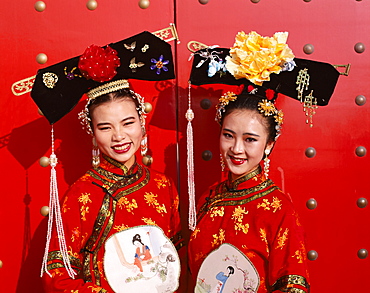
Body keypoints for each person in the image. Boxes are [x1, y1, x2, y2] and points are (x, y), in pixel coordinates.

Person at [187, 31, 340, 292]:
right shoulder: (207, 198)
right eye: (228, 135)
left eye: (250, 139)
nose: (236, 149)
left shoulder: (279, 209)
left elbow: (293, 285)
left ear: (269, 145)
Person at [31, 31, 183, 292]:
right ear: (92, 133)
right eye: (105, 128)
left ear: (141, 123)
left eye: (128, 123)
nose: (119, 136)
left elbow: (176, 261)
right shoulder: (81, 193)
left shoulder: (162, 186)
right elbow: (55, 274)